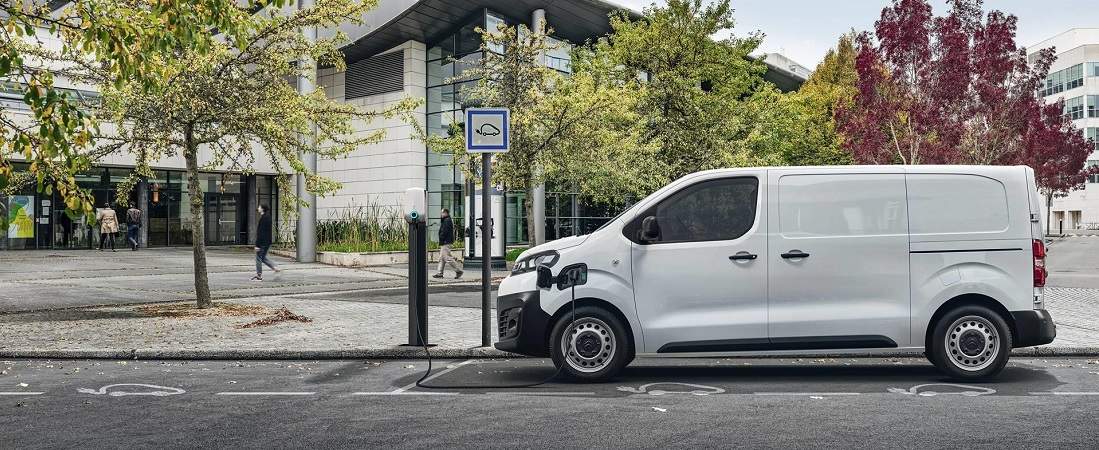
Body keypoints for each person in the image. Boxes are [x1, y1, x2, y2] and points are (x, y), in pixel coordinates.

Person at [252, 204, 280, 281]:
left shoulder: (264, 218)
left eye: (259, 207)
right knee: (263, 258)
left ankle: (259, 275)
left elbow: (261, 232)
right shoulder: (268, 217)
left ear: (262, 209)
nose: (258, 208)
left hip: (262, 242)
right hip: (267, 241)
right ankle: (275, 268)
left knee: (258, 258)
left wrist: (257, 245)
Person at [433, 208, 463, 279]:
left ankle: (458, 271)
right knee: (441, 258)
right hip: (445, 241)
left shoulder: (447, 221)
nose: (441, 214)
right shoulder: (446, 220)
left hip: (446, 242)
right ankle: (439, 273)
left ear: (445, 213)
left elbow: (444, 232)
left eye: (442, 213)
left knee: (447, 258)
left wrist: (441, 239)